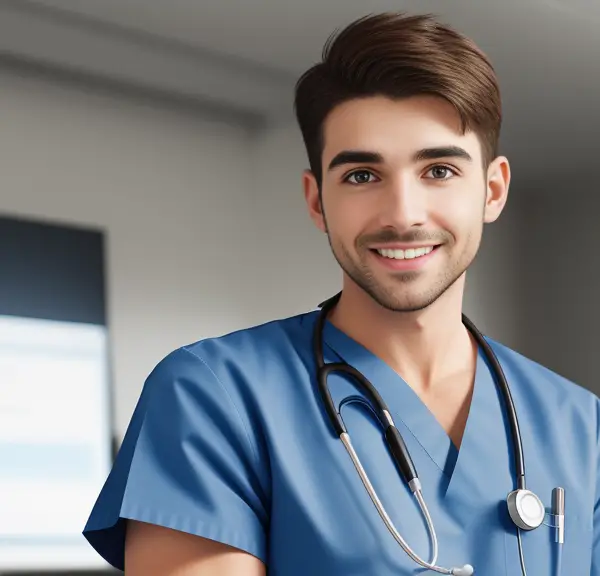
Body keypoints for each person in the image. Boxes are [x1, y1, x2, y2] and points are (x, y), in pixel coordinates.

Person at [83, 12, 600, 576]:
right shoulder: (213, 399)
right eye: (361, 176)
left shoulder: (582, 428)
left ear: (493, 190)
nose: (402, 215)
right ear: (316, 200)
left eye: (440, 171)